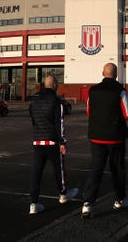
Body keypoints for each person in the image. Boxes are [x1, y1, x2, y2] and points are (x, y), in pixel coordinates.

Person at [81, 63, 128, 219]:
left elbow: (89, 112)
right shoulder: (120, 91)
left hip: (96, 137)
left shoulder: (93, 90)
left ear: (103, 73)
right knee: (117, 169)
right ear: (116, 75)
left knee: (96, 169)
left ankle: (87, 204)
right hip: (115, 137)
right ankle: (120, 200)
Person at [28, 75, 78, 215]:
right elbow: (59, 122)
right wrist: (62, 141)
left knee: (36, 172)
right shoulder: (56, 101)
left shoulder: (34, 100)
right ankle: (63, 194)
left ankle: (34, 203)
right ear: (55, 85)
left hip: (37, 140)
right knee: (59, 168)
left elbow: (33, 118)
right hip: (52, 141)